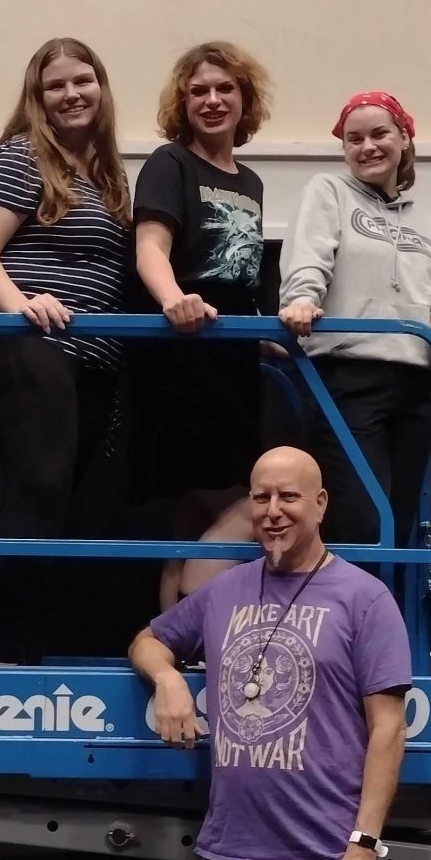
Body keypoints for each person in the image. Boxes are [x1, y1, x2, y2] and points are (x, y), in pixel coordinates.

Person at [129, 446, 410, 860]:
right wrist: (168, 680)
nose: (274, 511)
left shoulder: (364, 599)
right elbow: (148, 641)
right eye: (262, 498)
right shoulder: (224, 592)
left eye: (289, 497)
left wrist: (362, 852)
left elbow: (387, 730)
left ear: (320, 504)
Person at [0, 37, 131, 663]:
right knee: (39, 487)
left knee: (67, 505)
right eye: (55, 85)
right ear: (38, 98)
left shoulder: (107, 173)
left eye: (83, 80)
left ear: (101, 88)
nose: (72, 94)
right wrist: (18, 306)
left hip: (90, 362)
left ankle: (31, 648)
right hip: (28, 348)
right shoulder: (21, 158)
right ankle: (1, 653)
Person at [278, 91, 431, 546]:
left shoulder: (429, 223)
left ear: (404, 138)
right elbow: (309, 257)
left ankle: (378, 615)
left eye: (379, 133)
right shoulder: (328, 191)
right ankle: (346, 615)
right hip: (348, 376)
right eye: (354, 138)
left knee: (399, 525)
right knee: (362, 519)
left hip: (417, 382)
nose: (368, 146)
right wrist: (302, 299)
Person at [131, 41, 271, 606]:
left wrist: (263, 335)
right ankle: (196, 620)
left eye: (224, 89)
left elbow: (242, 275)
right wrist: (174, 300)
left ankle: (169, 645)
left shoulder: (251, 182)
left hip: (236, 357)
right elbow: (150, 248)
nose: (211, 101)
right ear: (182, 102)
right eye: (198, 92)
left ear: (244, 99)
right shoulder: (171, 163)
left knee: (191, 518)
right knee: (250, 507)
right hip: (188, 353)